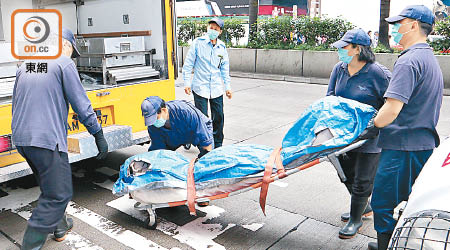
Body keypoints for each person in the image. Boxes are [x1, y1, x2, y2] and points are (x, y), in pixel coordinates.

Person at [12, 28, 108, 249]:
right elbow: (81, 105)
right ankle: (30, 245)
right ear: (64, 44)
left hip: (23, 139)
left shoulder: (27, 65)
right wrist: (98, 134)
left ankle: (60, 226)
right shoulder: (63, 63)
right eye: (72, 51)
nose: (71, 56)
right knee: (59, 193)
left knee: (50, 186)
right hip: (46, 140)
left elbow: (17, 103)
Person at [363, 5, 444, 250]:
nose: (395, 28)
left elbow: (392, 109)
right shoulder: (429, 57)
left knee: (383, 202)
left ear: (413, 25)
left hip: (402, 147)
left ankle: (386, 245)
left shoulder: (409, 61)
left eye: (399, 23)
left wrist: (372, 125)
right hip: (422, 143)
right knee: (410, 202)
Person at [327, 28, 391, 240]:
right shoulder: (340, 69)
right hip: (344, 135)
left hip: (371, 137)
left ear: (357, 49)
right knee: (346, 174)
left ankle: (355, 220)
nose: (340, 51)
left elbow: (391, 104)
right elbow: (330, 98)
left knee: (363, 180)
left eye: (344, 47)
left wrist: (376, 126)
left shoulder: (378, 73)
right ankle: (363, 207)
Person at [183, 17, 232, 149]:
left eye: (216, 29)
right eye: (211, 28)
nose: (213, 30)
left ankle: (218, 145)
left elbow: (224, 68)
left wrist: (227, 87)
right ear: (207, 28)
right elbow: (188, 64)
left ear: (220, 32)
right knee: (202, 119)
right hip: (200, 87)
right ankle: (203, 145)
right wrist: (187, 83)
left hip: (216, 88)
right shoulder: (198, 43)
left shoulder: (221, 47)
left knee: (218, 118)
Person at [141, 96, 213, 159]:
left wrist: (206, 158)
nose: (153, 123)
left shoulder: (185, 112)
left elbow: (205, 142)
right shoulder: (152, 125)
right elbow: (158, 149)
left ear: (164, 110)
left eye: (156, 118)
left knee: (207, 158)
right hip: (175, 135)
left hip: (200, 128)